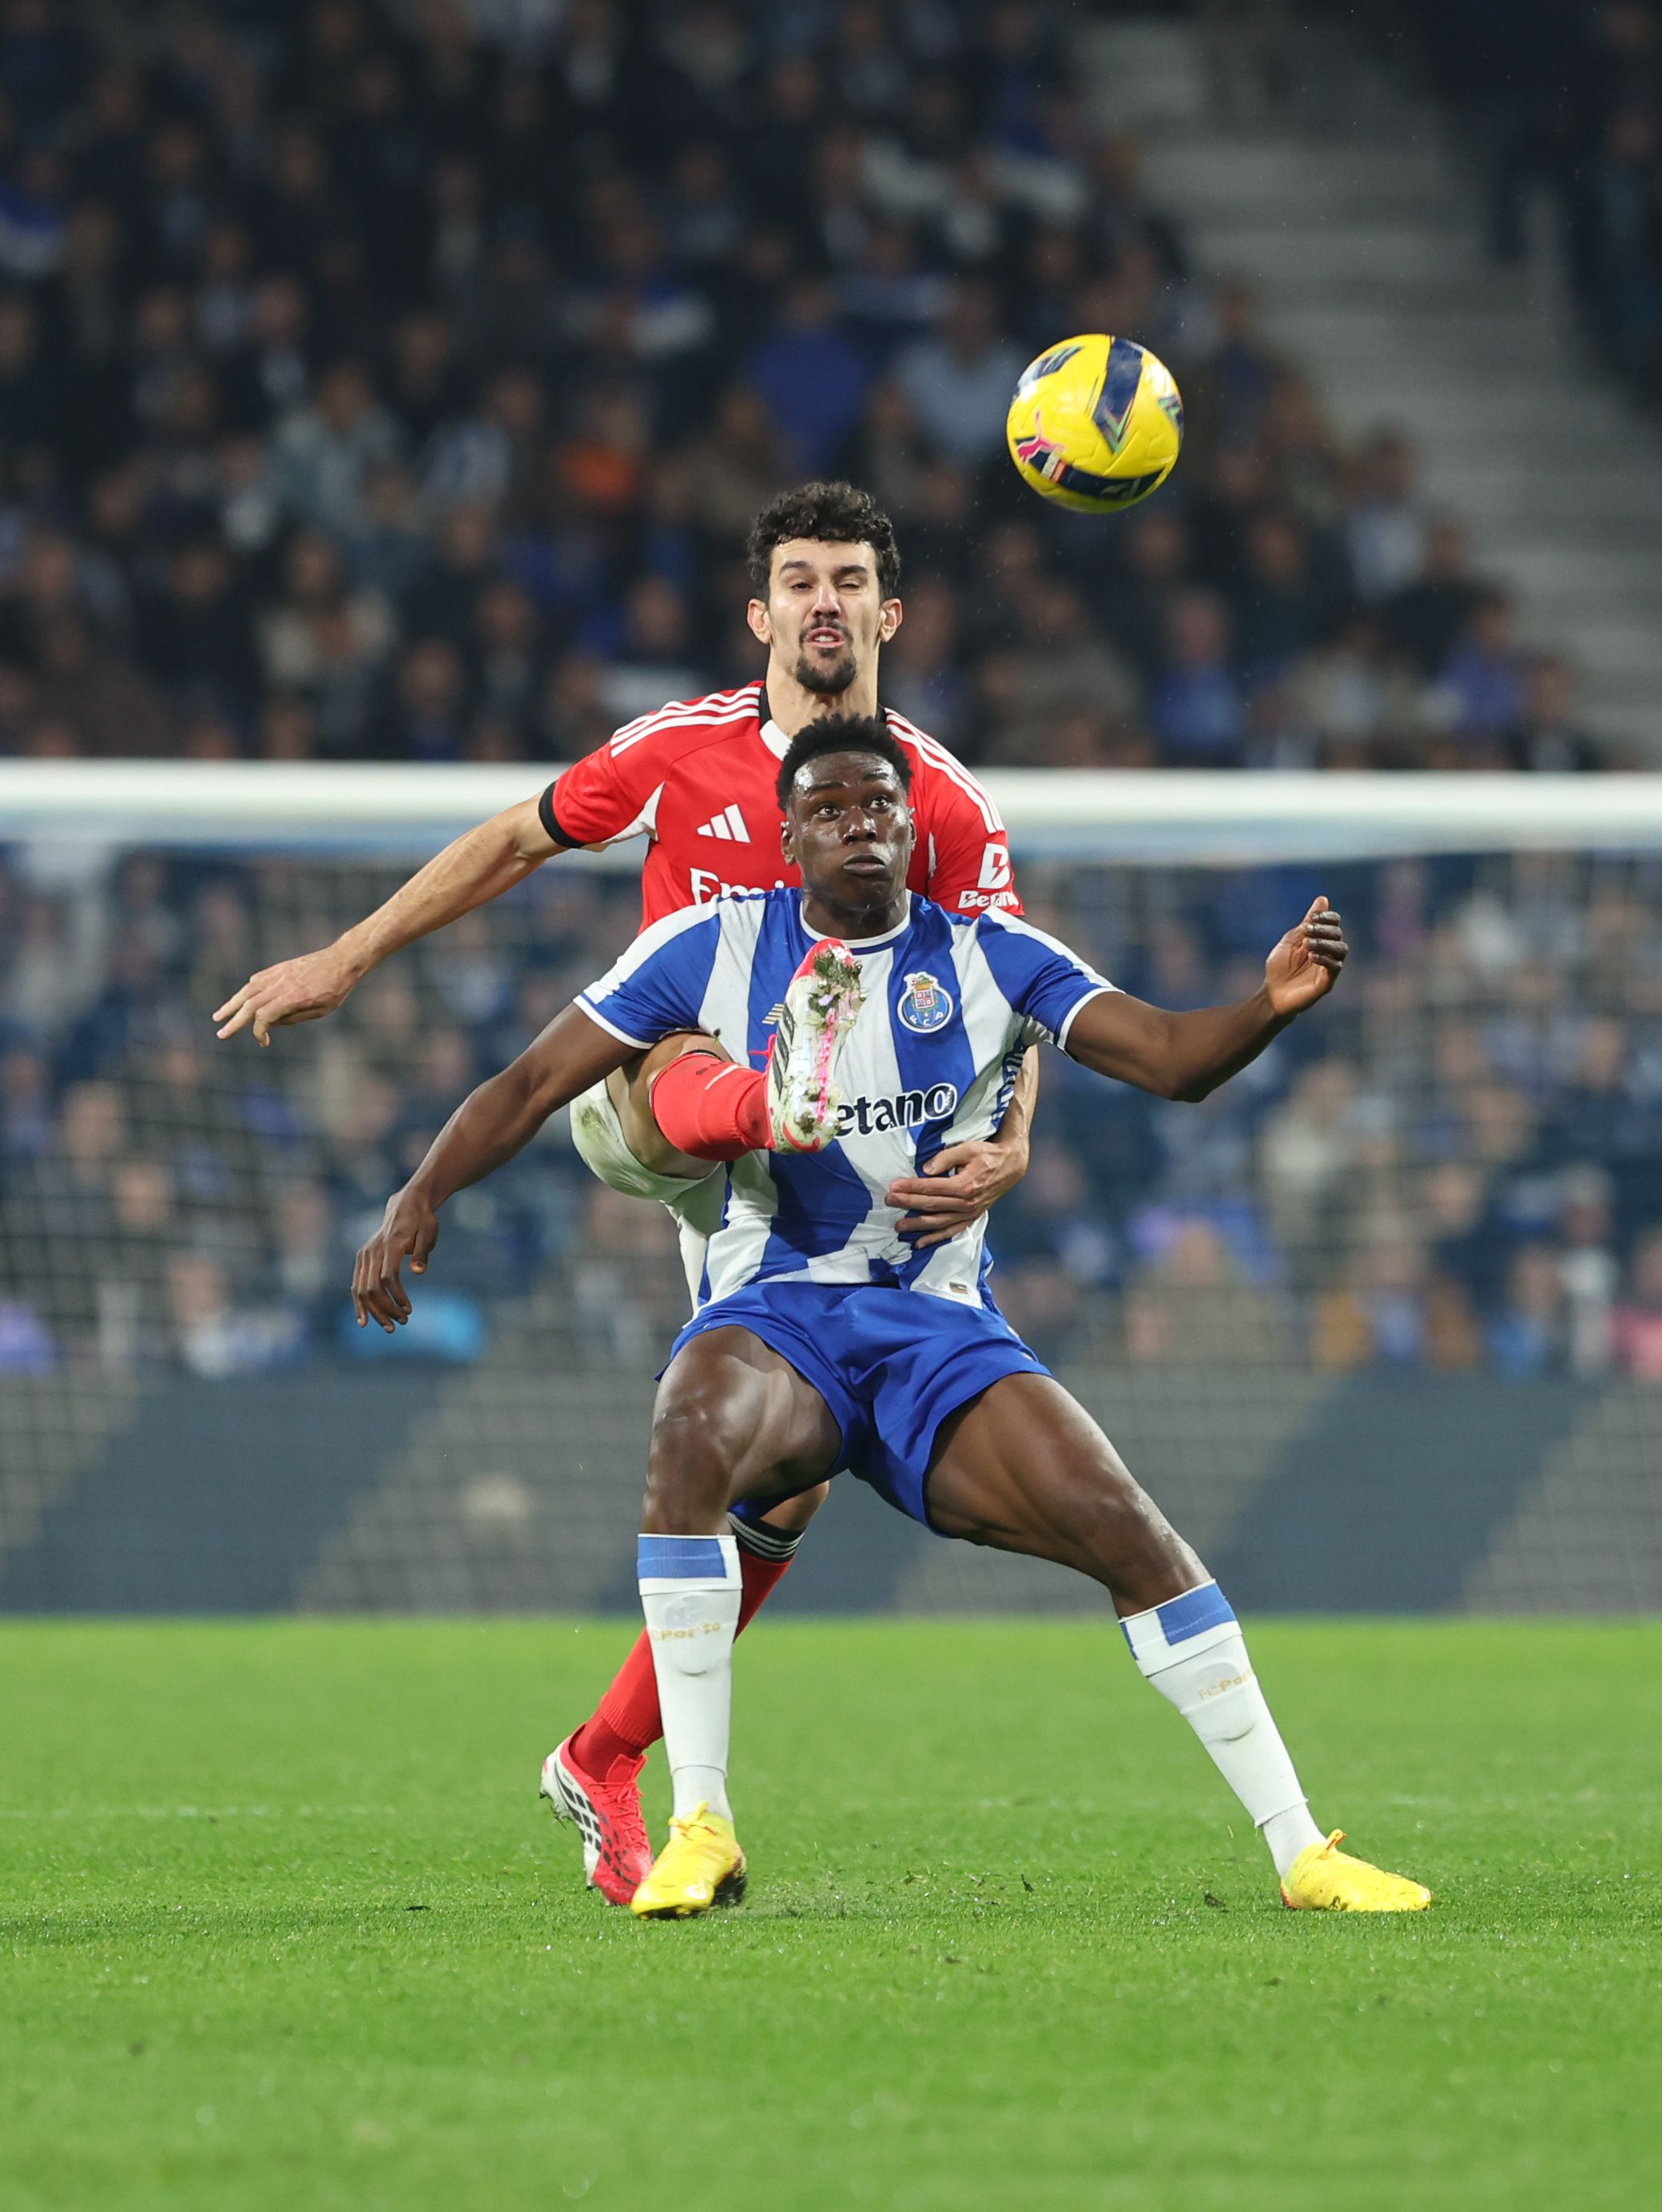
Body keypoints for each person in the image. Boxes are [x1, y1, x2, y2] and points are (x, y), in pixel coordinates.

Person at [352, 716, 1431, 1920]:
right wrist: (420, 1194)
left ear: (913, 830)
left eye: (879, 807)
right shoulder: (708, 943)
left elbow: (1170, 1060)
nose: (858, 824)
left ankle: (1301, 1851)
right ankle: (698, 1824)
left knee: (1130, 1534)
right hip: (781, 1318)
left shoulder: (994, 956)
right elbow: (529, 1085)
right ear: (787, 836)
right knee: (692, 1429)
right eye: (829, 809)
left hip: (938, 1335)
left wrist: (1269, 1005)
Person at [213, 479, 1040, 1904]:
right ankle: (766, 1089)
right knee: (703, 1022)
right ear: (759, 612)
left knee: (783, 1491)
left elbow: (1018, 1001)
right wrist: (349, 957)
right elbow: (515, 840)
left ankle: (600, 1756)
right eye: (799, 579)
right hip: (663, 1105)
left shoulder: (940, 803)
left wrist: (1014, 1140)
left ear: (889, 615)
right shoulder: (681, 750)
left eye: (849, 579)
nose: (824, 602)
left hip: (812, 1187)